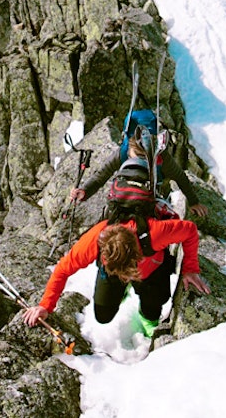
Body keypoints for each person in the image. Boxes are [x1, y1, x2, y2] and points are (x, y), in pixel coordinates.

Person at [23, 211, 210, 336]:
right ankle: (121, 292)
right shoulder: (93, 241)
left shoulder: (155, 233)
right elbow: (62, 269)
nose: (126, 276)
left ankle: (147, 320)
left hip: (151, 270)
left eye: (128, 272)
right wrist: (45, 306)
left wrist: (190, 269)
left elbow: (190, 230)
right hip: (116, 272)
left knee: (154, 306)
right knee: (103, 316)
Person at [72, 132, 210, 219]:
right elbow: (101, 176)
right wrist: (85, 191)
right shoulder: (122, 152)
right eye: (137, 156)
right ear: (130, 149)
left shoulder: (160, 156)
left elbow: (180, 176)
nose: (139, 160)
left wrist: (193, 202)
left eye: (144, 157)